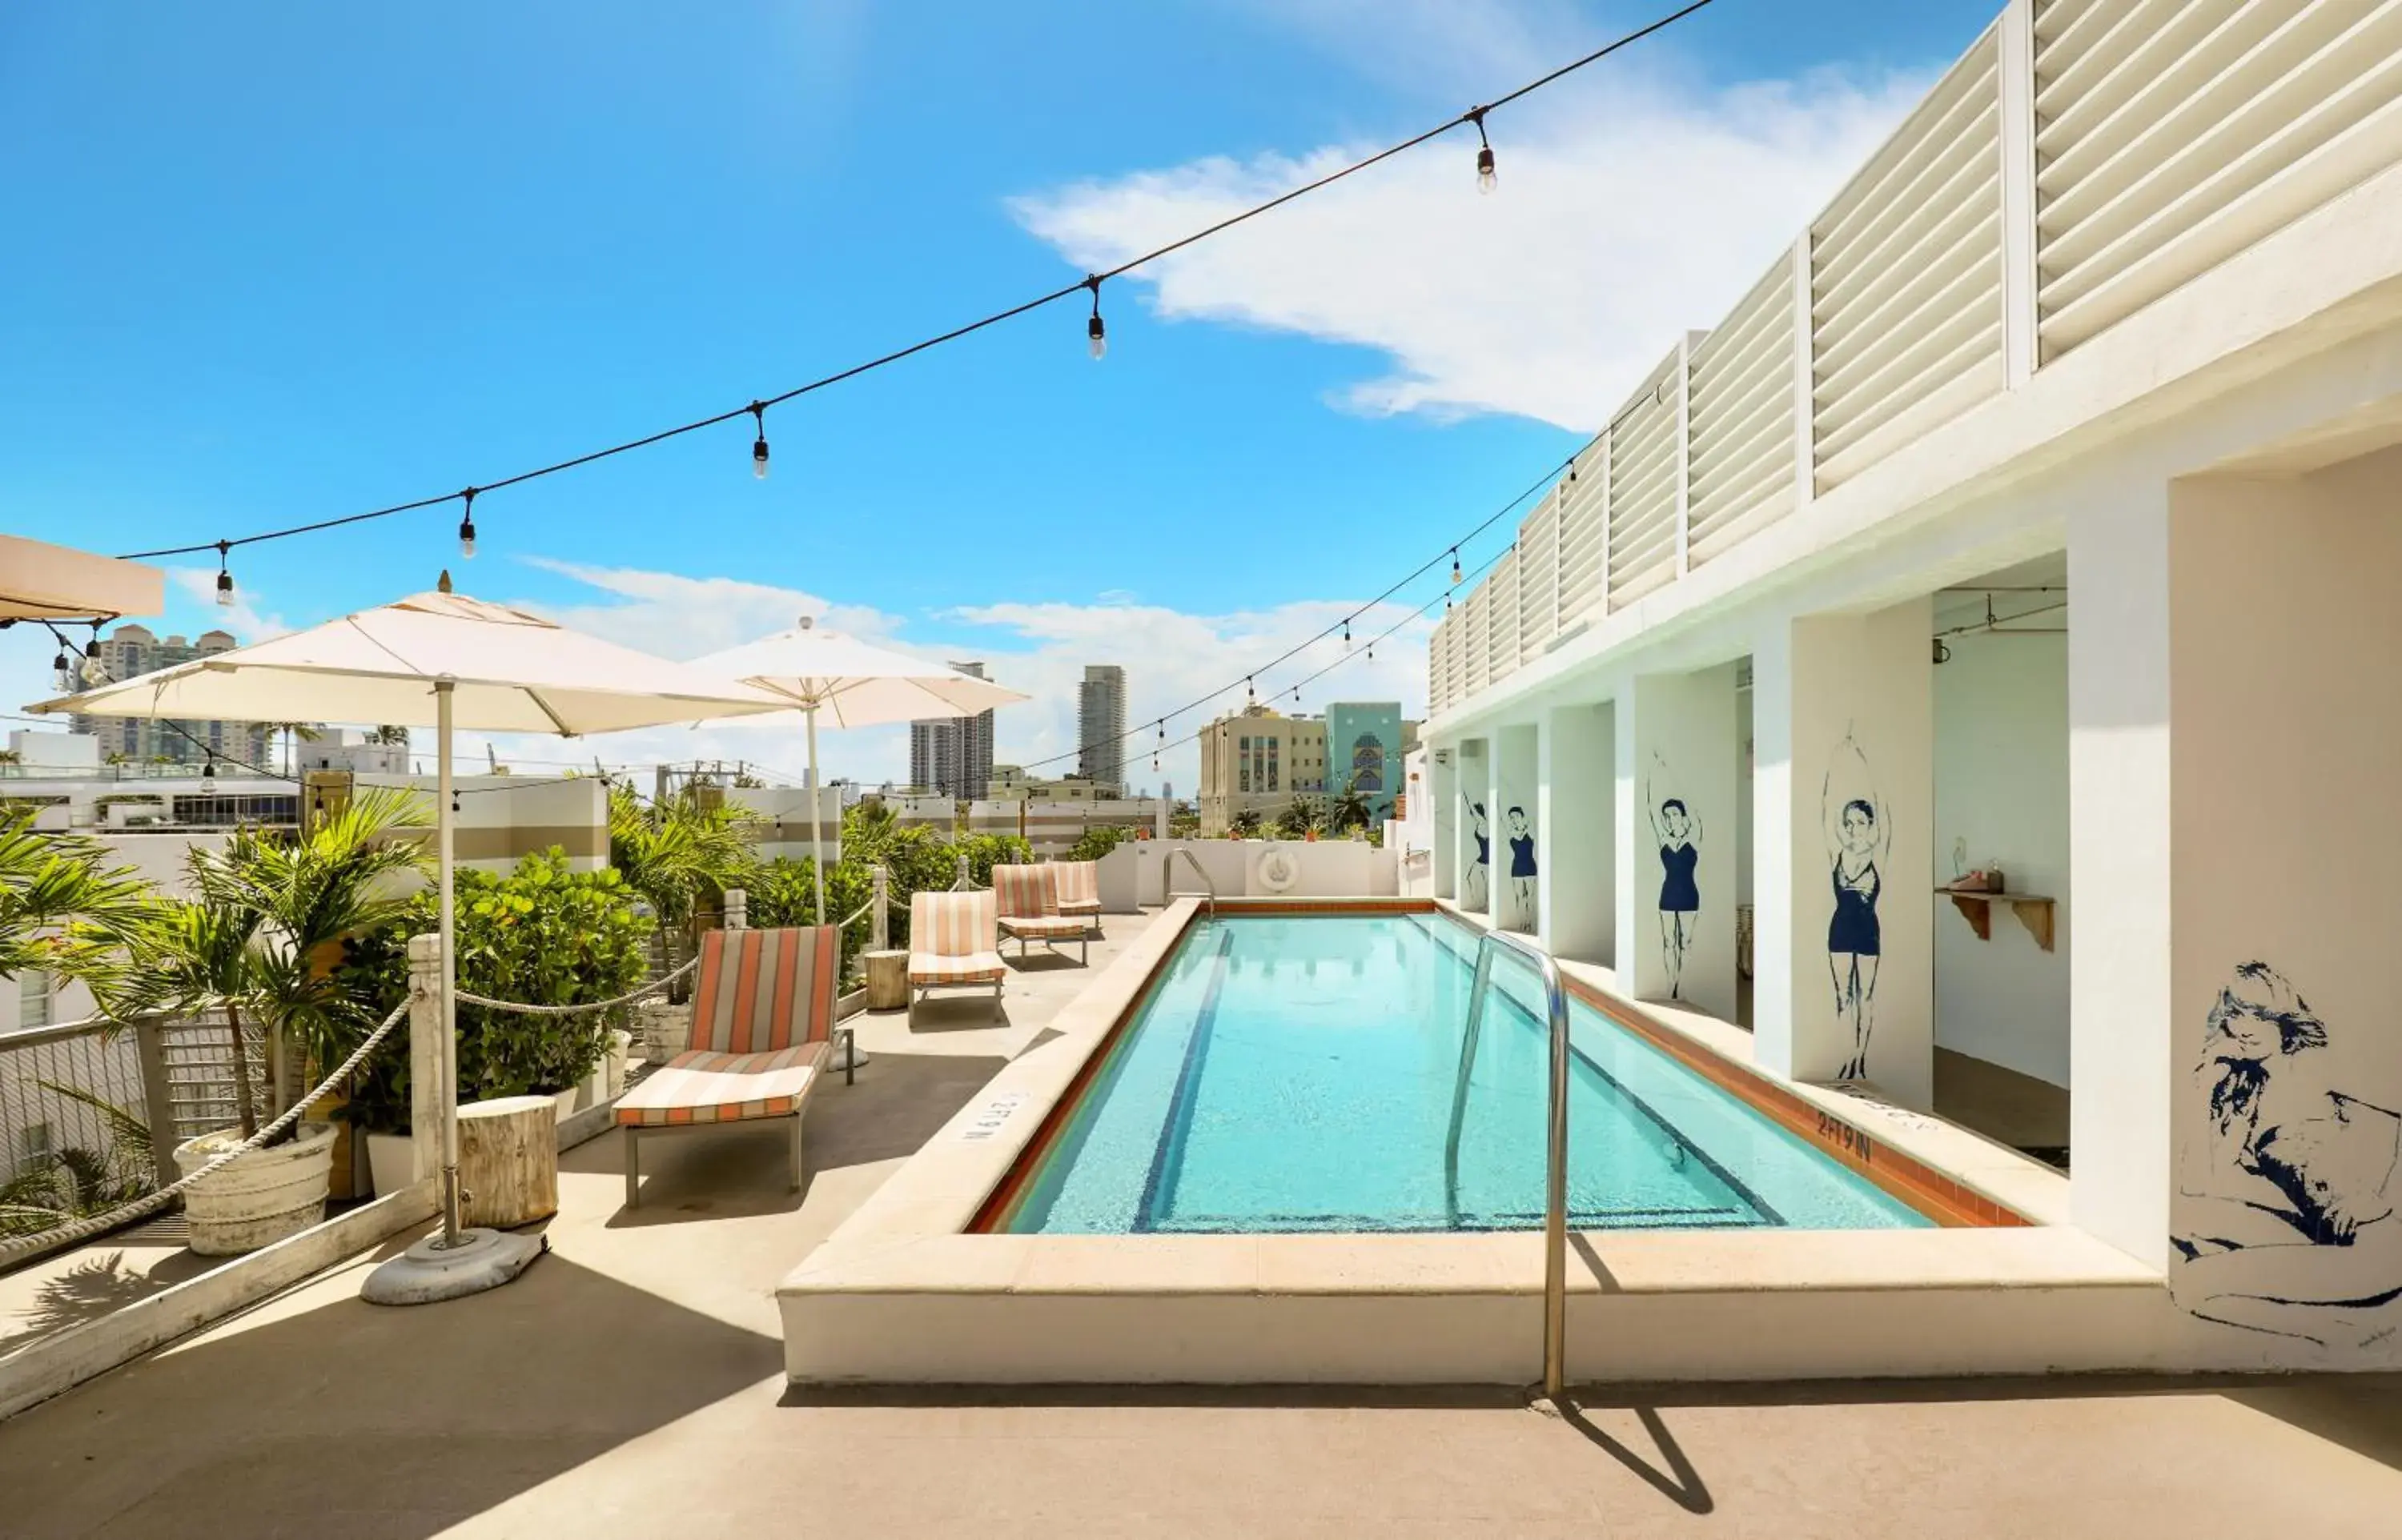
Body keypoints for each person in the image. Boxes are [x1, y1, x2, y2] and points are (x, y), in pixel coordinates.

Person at [2171, 961, 2402, 1349]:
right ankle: (2330, 1333)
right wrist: (2207, 1076)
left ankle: (2331, 1336)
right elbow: (2198, 1185)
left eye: (2258, 1015)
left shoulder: (2318, 1079)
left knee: (2191, 1285)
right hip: (2326, 1240)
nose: (2244, 1027)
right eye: (2235, 1014)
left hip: (2376, 1251)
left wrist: (2378, 1202)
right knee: (2184, 1230)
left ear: (2283, 1020)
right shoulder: (2242, 1093)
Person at [1822, 729, 1889, 1081]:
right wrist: (1835, 764)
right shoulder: (1838, 853)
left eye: (1860, 822)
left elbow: (1887, 820)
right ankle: (1847, 1054)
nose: (1853, 828)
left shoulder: (1878, 857)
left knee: (1865, 995)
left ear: (1870, 824)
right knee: (1842, 996)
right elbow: (1826, 817)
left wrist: (1869, 763)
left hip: (1867, 931)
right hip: (1839, 930)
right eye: (1849, 823)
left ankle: (1862, 1056)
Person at [1644, 758, 1700, 1001]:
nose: (1669, 819)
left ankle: (1682, 985)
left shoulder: (1693, 838)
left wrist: (1673, 773)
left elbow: (1694, 812)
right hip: (1667, 895)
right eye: (1666, 816)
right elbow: (1651, 811)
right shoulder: (1663, 840)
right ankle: (1671, 983)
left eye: (1674, 814)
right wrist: (1650, 777)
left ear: (1682, 816)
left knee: (1685, 942)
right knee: (1669, 942)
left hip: (1689, 895)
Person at [1505, 805, 1536, 916]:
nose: (1514, 819)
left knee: (1530, 897)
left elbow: (1531, 822)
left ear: (1522, 816)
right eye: (1512, 817)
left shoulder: (1531, 830)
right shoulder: (1511, 832)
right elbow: (1518, 836)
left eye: (1517, 816)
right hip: (1517, 867)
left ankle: (1529, 921)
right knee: (1519, 897)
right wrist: (1523, 828)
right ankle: (1521, 921)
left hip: (1530, 867)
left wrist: (1524, 827)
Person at [1462, 794, 1491, 910]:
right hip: (1482, 859)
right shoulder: (1480, 824)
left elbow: (1472, 809)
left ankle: (1486, 905)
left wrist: (1470, 805)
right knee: (1471, 877)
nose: (1472, 816)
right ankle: (1480, 902)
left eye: (1473, 814)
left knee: (1488, 883)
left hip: (1488, 860)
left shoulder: (1485, 824)